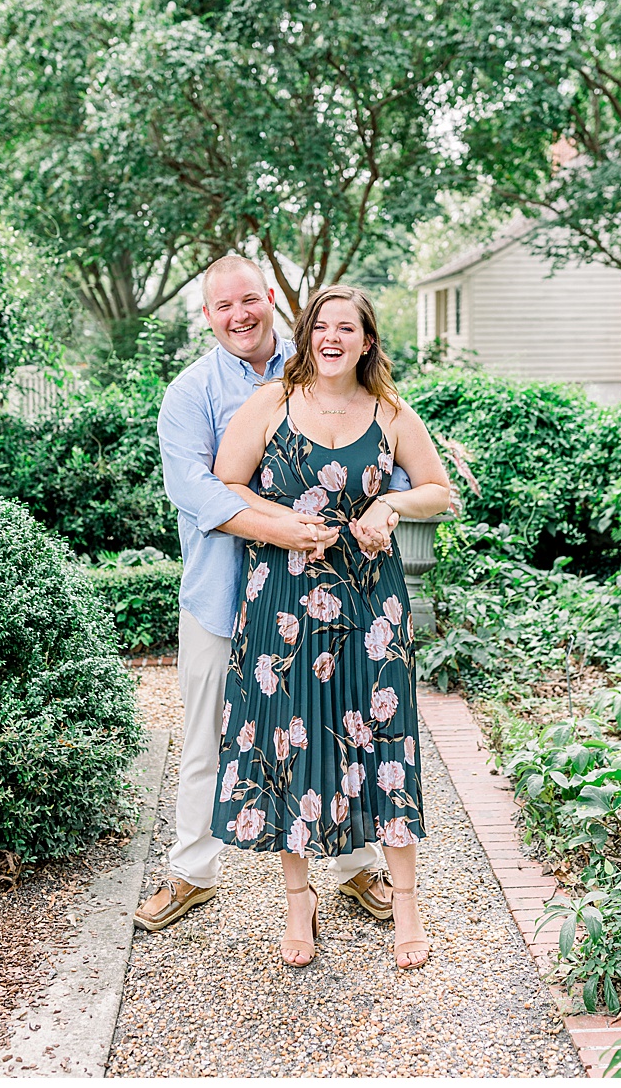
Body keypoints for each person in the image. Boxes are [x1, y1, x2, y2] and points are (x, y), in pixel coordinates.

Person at [136, 258, 403, 935]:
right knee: (206, 738)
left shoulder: (321, 361)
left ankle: (356, 865)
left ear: (271, 302)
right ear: (208, 316)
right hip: (220, 593)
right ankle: (192, 872)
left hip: (320, 596)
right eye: (224, 306)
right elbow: (196, 490)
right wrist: (279, 527)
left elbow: (388, 453)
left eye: (249, 300)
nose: (240, 315)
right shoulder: (191, 393)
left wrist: (389, 505)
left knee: (339, 722)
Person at [210, 284, 453, 970]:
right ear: (307, 335)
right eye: (321, 326)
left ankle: (405, 905)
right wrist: (282, 522)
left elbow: (439, 490)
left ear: (367, 341)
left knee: (384, 738)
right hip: (283, 597)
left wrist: (391, 506)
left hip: (370, 603)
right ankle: (299, 903)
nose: (332, 337)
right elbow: (226, 484)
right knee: (290, 744)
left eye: (347, 327)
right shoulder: (272, 403)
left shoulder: (391, 411)